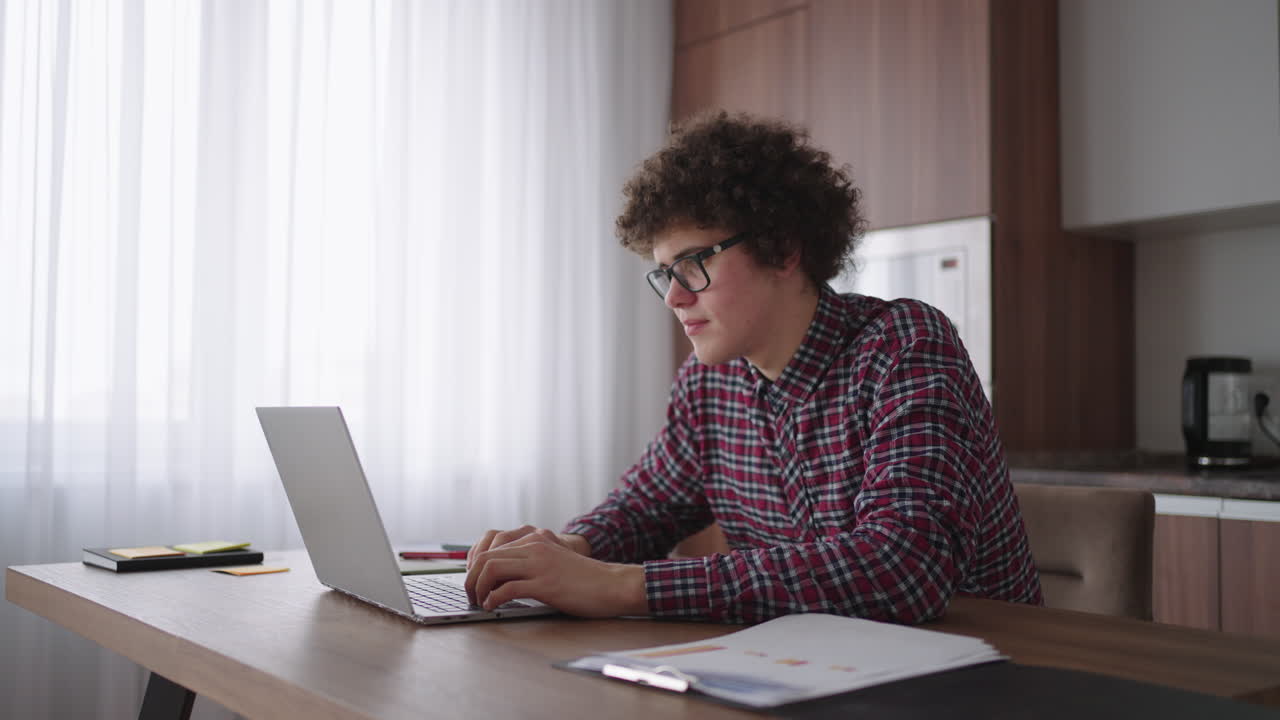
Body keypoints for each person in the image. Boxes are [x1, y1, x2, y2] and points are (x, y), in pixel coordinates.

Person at [464, 111, 1042, 624]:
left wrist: (621, 585)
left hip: (984, 679)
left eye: (692, 264)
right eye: (664, 272)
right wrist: (572, 547)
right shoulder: (709, 383)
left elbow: (901, 568)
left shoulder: (904, 348)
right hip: (817, 671)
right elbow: (646, 506)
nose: (673, 297)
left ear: (784, 250)